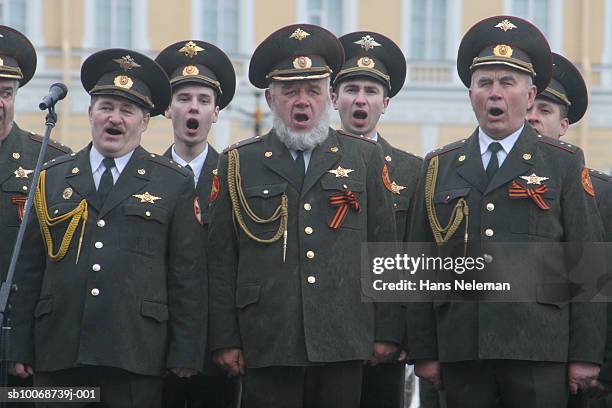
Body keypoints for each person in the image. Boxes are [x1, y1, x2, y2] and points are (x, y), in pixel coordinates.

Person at [407, 15, 605, 408]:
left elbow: (586, 260)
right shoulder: (439, 166)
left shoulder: (562, 163)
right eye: (485, 83)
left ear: (530, 96)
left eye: (506, 83)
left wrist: (585, 354)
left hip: (538, 346)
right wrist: (423, 350)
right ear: (471, 96)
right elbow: (418, 263)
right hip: (462, 348)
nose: (495, 93)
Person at [207, 24, 402, 408]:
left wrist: (388, 331)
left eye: (313, 91)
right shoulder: (238, 163)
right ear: (270, 97)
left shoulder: (363, 157)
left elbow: (385, 247)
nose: (302, 102)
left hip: (343, 336)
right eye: (290, 91)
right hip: (266, 337)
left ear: (329, 97)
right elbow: (221, 257)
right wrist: (225, 338)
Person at [9, 48, 205, 408]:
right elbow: (29, 267)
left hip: (134, 354)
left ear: (144, 121)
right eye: (106, 107)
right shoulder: (51, 176)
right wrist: (18, 343)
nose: (115, 118)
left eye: (127, 110)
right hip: (57, 352)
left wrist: (186, 351)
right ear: (90, 113)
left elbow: (187, 275)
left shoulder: (172, 182)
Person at [330, 30, 421, 408]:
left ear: (386, 102)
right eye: (351, 88)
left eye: (371, 90)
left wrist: (399, 334)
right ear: (334, 98)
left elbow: (416, 259)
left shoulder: (412, 171)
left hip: (383, 339)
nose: (360, 99)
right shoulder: (313, 165)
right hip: (325, 331)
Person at [156, 39, 239, 408]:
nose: (194, 108)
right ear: (167, 109)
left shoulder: (235, 177)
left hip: (216, 349)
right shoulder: (149, 178)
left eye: (204, 101)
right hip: (158, 345)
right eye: (184, 98)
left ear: (216, 113)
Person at [0, 24, 71, 408]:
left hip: (19, 344)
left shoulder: (48, 161)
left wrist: (27, 340)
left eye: (6, 93)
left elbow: (53, 262)